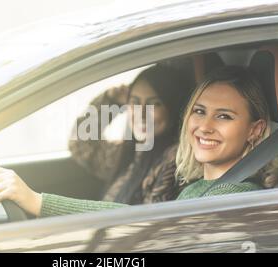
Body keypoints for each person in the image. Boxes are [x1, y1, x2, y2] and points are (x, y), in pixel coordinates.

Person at [0, 66, 278, 217]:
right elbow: (82, 144)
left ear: (255, 130)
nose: (204, 126)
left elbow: (141, 222)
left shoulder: (231, 194)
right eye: (200, 112)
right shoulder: (189, 183)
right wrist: (113, 97)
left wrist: (38, 202)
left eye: (224, 117)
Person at [68, 64, 194, 204]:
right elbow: (81, 144)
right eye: (135, 102)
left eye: (155, 104)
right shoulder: (133, 151)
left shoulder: (174, 164)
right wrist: (110, 101)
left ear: (174, 107)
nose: (141, 113)